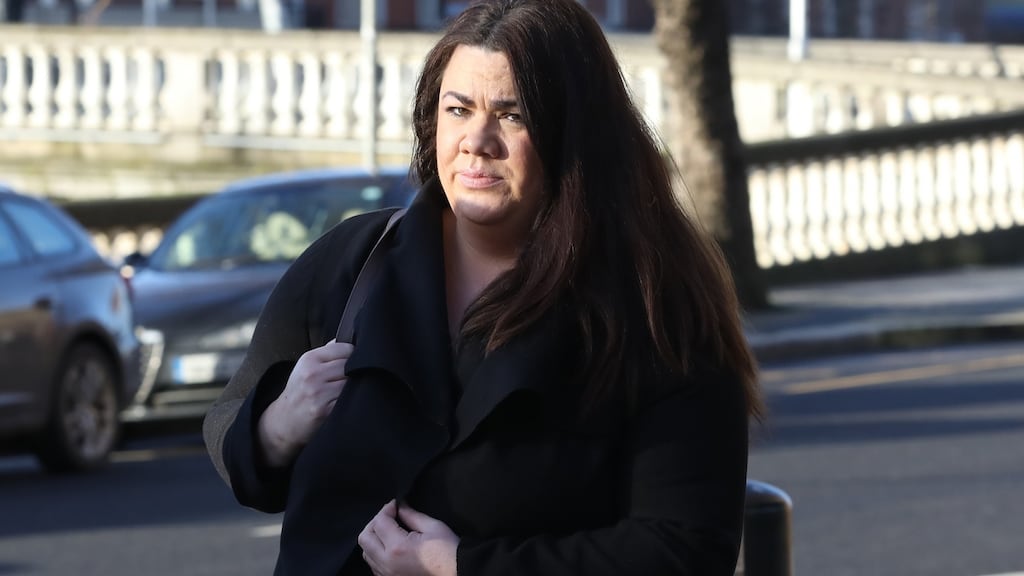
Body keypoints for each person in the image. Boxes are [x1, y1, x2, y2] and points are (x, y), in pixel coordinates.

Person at [202, 0, 764, 574]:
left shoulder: (654, 306)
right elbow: (226, 422)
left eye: (512, 115)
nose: (477, 140)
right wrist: (279, 425)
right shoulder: (351, 262)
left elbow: (687, 549)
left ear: (575, 136)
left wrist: (462, 566)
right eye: (458, 109)